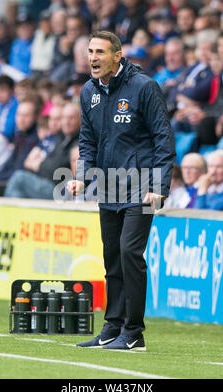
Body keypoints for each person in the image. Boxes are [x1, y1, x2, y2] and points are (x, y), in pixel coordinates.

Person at [67, 31, 175, 351]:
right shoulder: (89, 92)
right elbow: (88, 141)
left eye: (100, 51)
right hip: (109, 186)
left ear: (117, 55)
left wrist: (159, 186)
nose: (93, 57)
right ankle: (112, 327)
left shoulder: (144, 87)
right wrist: (81, 178)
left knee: (130, 252)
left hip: (141, 186)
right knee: (112, 257)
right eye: (90, 51)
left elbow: (163, 140)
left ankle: (135, 332)